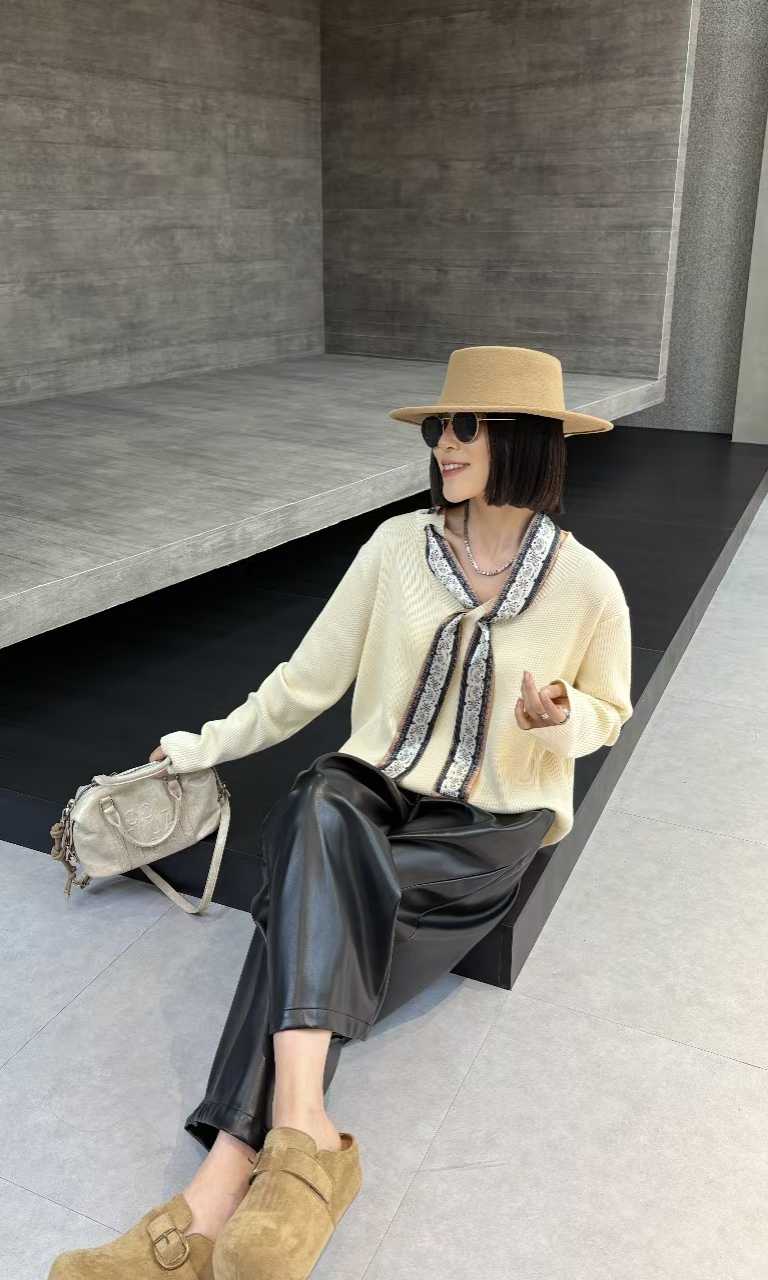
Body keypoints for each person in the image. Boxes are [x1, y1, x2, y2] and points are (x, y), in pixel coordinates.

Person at [47, 346, 633, 1280]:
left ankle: (209, 1201)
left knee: (306, 910)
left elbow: (609, 712)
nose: (443, 444)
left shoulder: (589, 586)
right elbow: (304, 683)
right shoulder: (397, 548)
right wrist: (202, 745)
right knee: (321, 797)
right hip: (376, 790)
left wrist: (559, 719)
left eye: (464, 426)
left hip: (488, 827)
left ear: (522, 438)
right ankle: (305, 1132)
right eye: (438, 427)